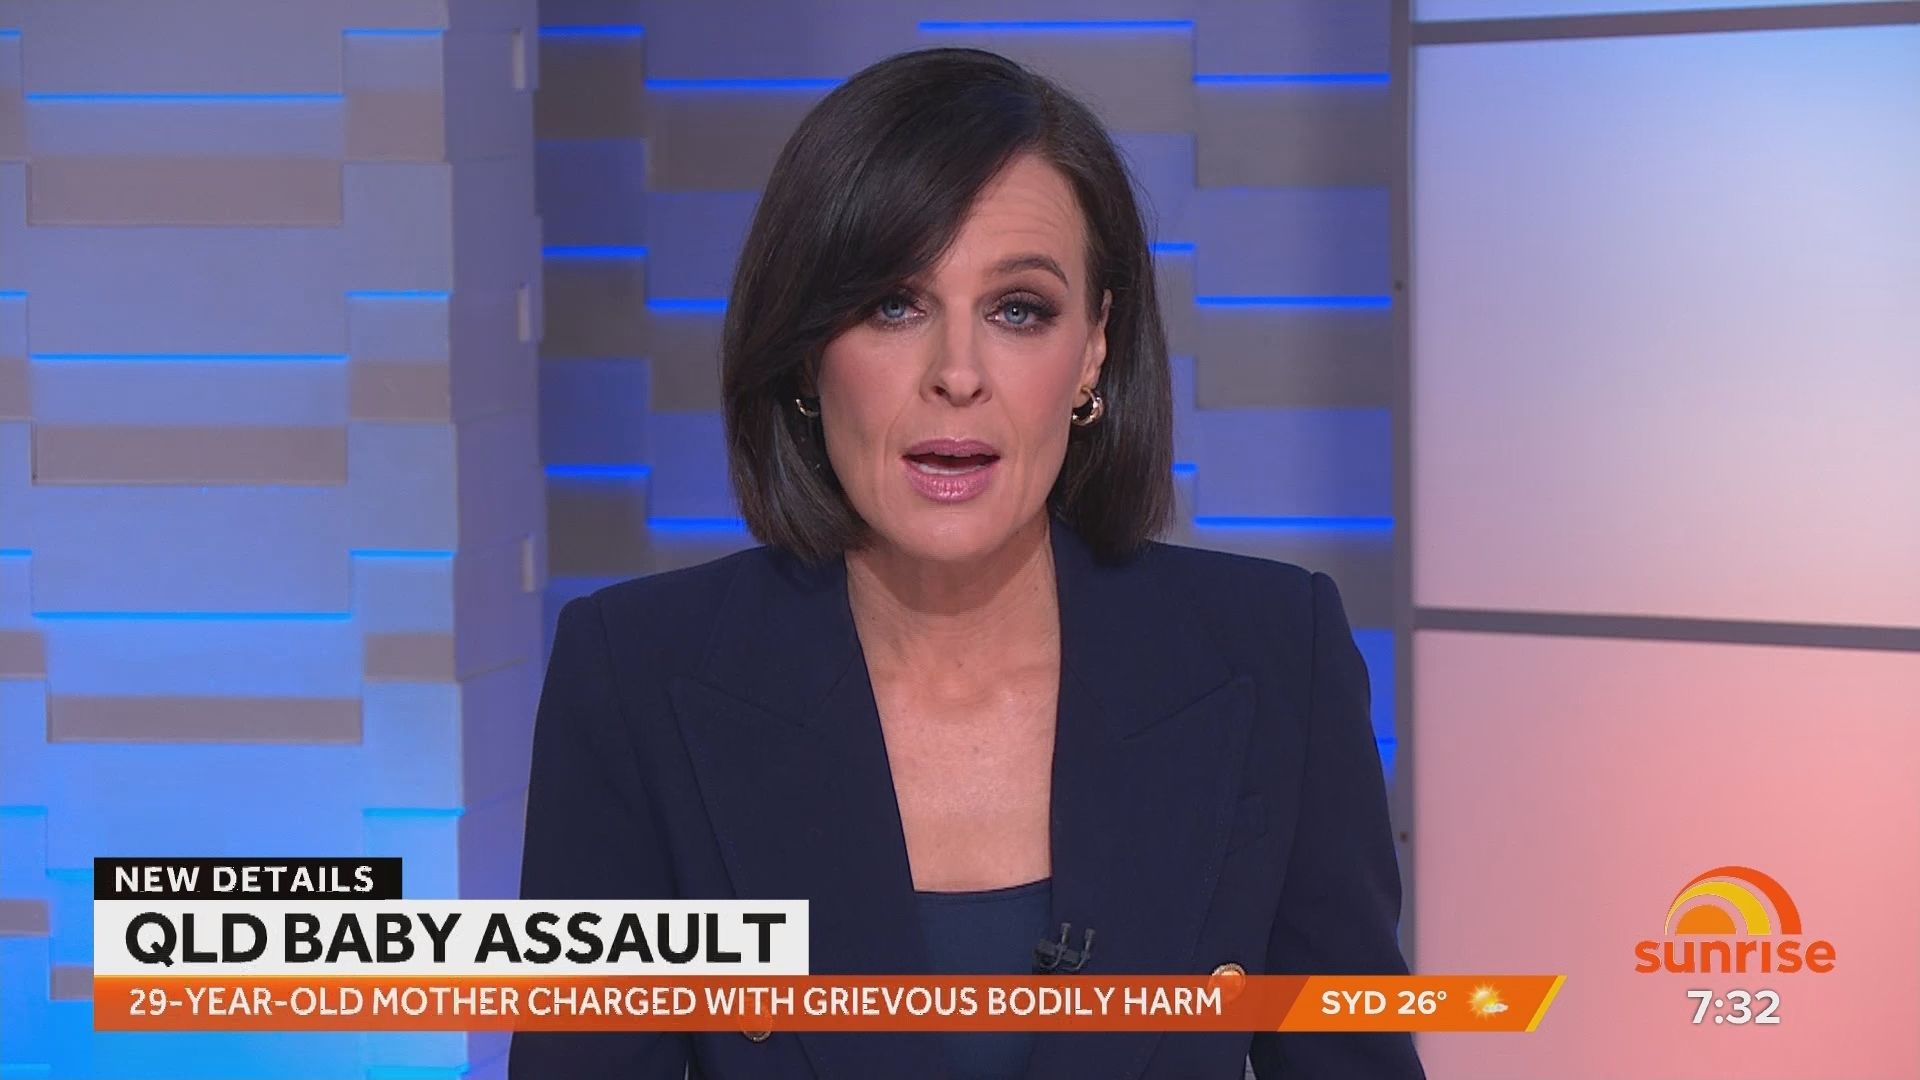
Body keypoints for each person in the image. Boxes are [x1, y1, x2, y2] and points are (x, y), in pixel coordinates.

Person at [510, 46, 1423, 1080]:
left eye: (1018, 309)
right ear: (807, 349)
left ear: (1093, 349)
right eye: (894, 305)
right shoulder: (631, 678)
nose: (957, 375)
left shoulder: (1276, 657)